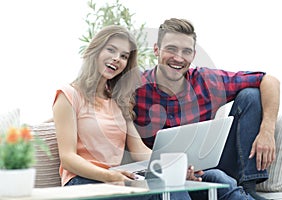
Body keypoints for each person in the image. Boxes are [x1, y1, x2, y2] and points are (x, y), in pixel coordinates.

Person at [133, 18, 280, 200]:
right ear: (156, 49)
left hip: (207, 167)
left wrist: (267, 130)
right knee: (215, 179)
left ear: (193, 55)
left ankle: (247, 188)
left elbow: (269, 80)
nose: (178, 58)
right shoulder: (135, 88)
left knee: (250, 95)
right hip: (163, 176)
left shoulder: (207, 81)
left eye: (186, 51)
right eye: (171, 49)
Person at [52, 25, 192, 200]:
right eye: (111, 50)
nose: (117, 58)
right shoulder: (68, 95)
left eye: (124, 56)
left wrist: (174, 164)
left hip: (115, 179)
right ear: (95, 50)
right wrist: (109, 176)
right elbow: (68, 158)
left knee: (172, 187)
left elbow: (139, 149)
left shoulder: (118, 101)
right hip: (82, 183)